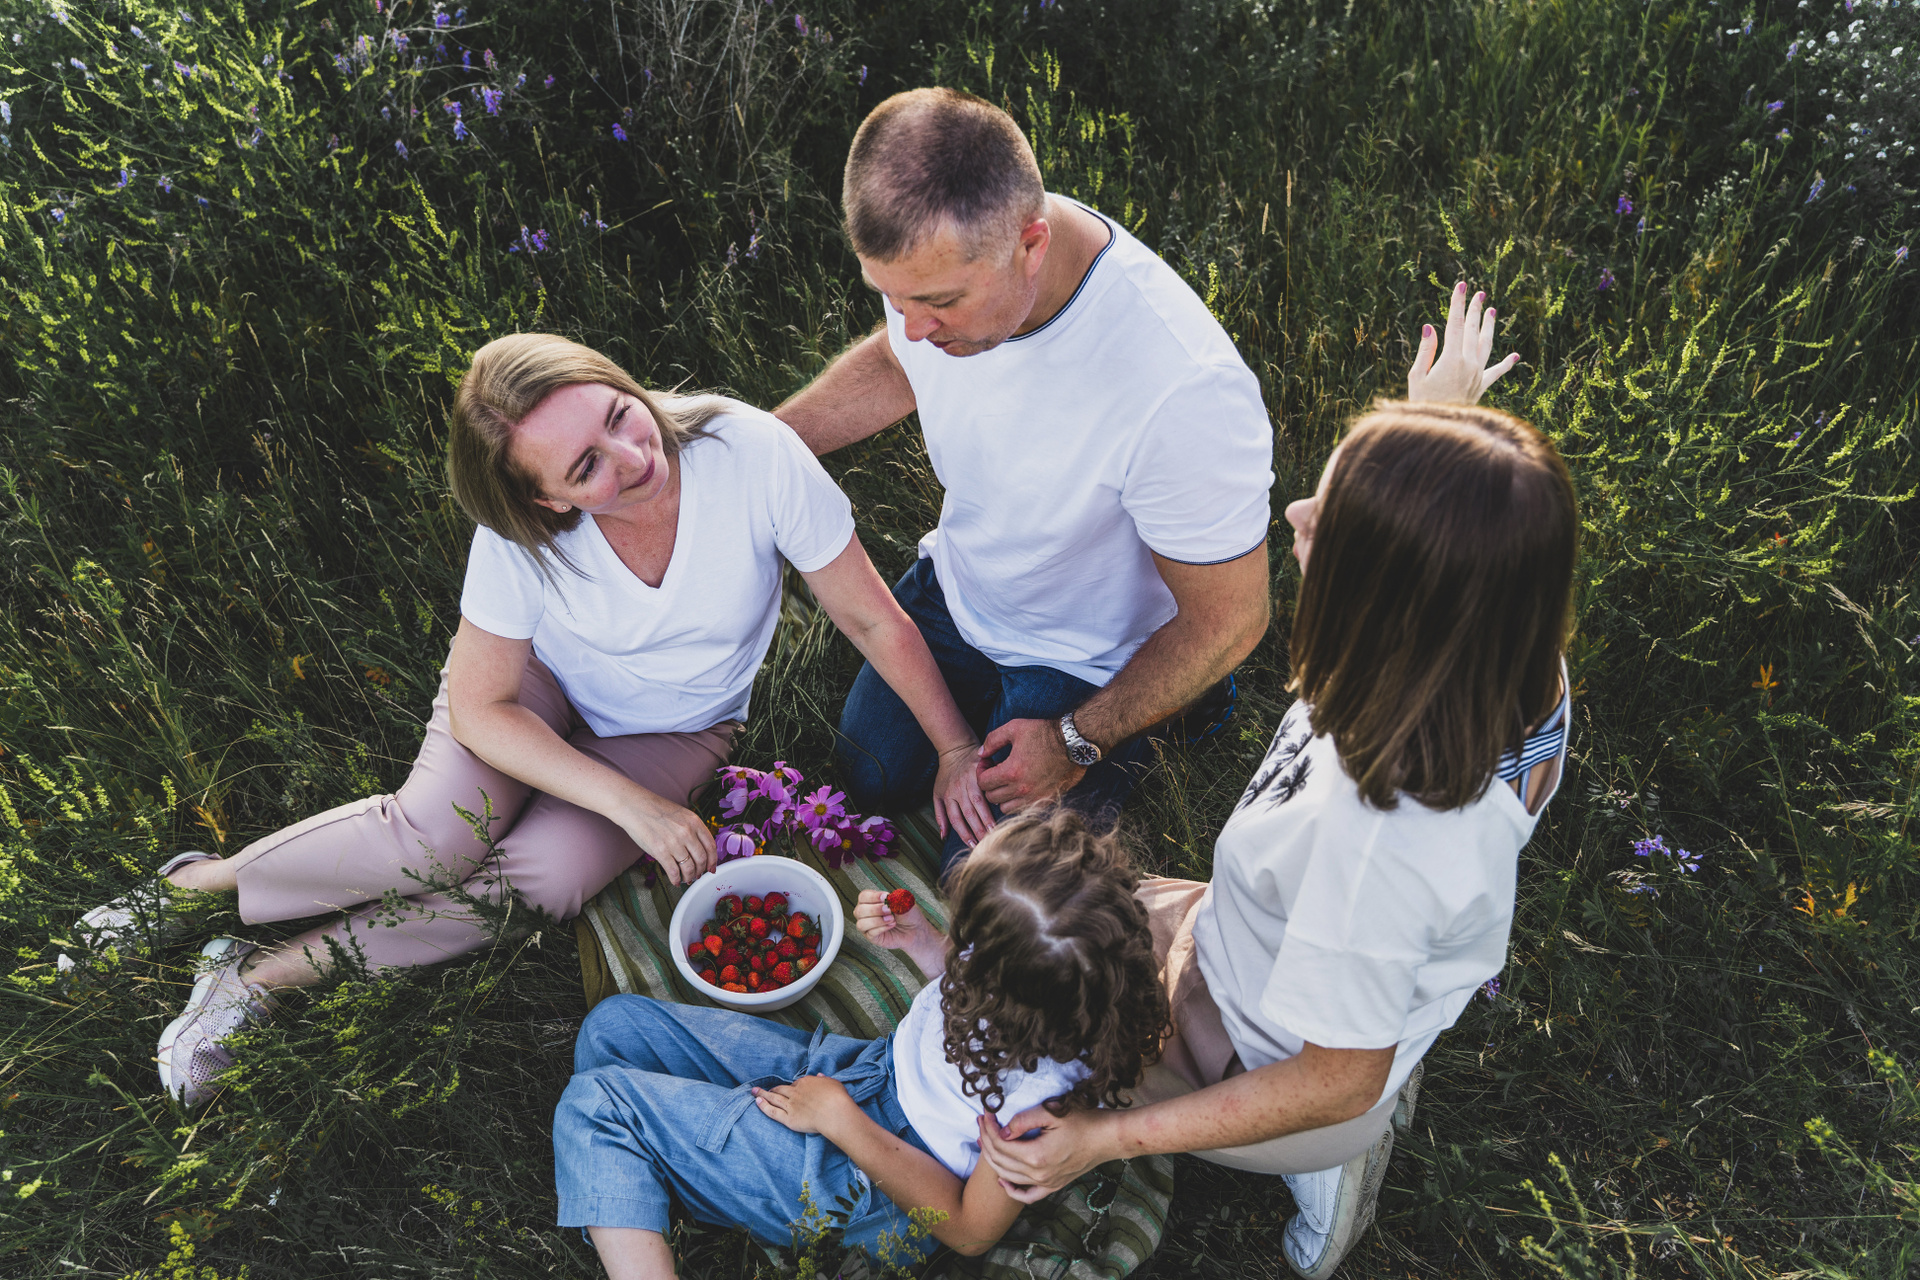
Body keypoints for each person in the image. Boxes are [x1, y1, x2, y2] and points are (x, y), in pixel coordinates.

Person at [78, 333, 992, 1108]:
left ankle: (253, 977)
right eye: (586, 466)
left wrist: (953, 746)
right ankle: (196, 888)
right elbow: (483, 706)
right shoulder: (520, 537)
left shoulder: (752, 452)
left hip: (677, 727)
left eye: (620, 415)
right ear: (546, 500)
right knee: (432, 838)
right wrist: (632, 808)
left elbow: (874, 620)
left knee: (541, 884)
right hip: (530, 694)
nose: (632, 457)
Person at [977, 285, 1572, 1280]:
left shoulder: (1378, 836)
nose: (1296, 512)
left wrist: (1101, 1140)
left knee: (1037, 1037)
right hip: (1280, 944)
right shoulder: (1501, 654)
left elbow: (1336, 1078)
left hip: (1278, 1057)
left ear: (1389, 601)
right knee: (1063, 919)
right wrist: (1435, 427)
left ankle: (1326, 1166)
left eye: (1327, 522)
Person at [776, 87, 1274, 870]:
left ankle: (1178, 711)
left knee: (982, 881)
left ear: (1032, 245)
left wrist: (1076, 739)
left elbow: (1232, 620)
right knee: (868, 775)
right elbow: (896, 364)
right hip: (966, 588)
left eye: (938, 303)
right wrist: (766, 444)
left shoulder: (1181, 389)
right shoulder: (954, 263)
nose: (913, 329)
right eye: (892, 298)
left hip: (1090, 654)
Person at [551, 806, 1170, 1278]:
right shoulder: (1042, 986)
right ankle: (662, 1181)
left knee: (595, 1104)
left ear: (1007, 990)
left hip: (866, 1182)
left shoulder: (1038, 1108)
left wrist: (841, 1121)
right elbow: (965, 996)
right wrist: (922, 944)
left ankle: (653, 1184)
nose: (959, 950)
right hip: (864, 1072)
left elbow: (968, 1230)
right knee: (614, 1027)